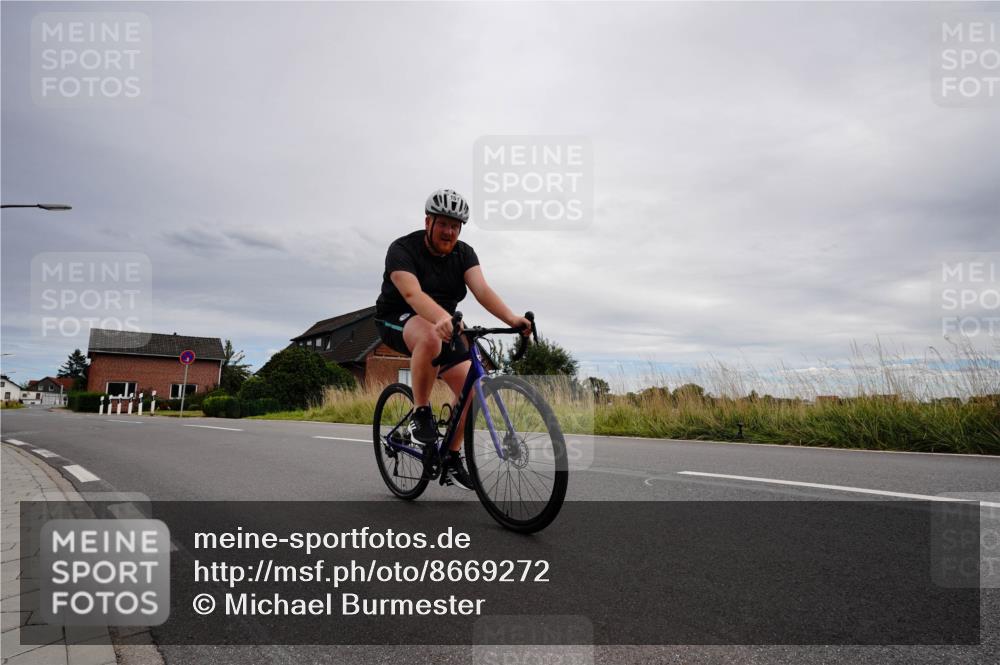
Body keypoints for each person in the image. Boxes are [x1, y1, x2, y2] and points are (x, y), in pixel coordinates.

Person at [375, 189, 532, 490]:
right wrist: (441, 319)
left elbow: (482, 291)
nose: (449, 231)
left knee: (473, 389)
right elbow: (413, 295)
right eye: (443, 223)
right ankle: (421, 413)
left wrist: (512, 319)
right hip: (397, 318)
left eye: (455, 225)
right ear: (428, 222)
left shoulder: (464, 254)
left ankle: (450, 455)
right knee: (431, 336)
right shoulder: (402, 249)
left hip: (443, 323)